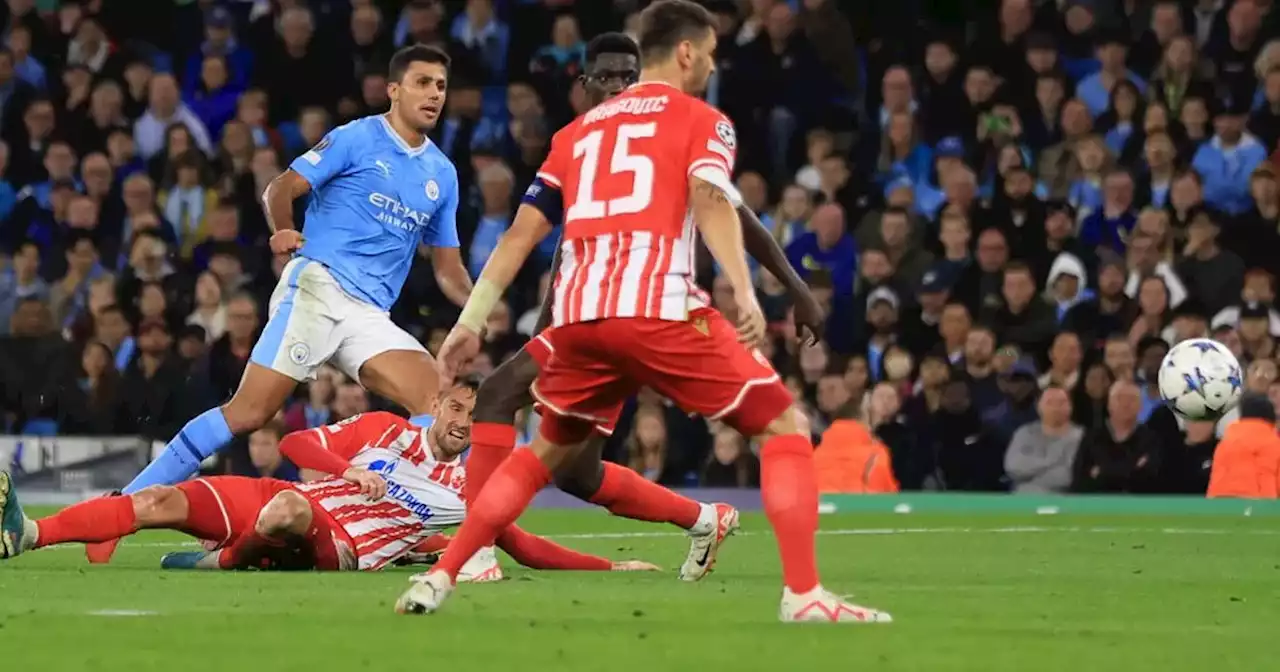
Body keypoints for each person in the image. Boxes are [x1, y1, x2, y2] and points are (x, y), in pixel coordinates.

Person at [402, 0, 889, 623]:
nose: (711, 66)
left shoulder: (574, 135)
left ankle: (442, 575)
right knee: (785, 427)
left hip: (577, 320)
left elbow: (519, 237)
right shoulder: (702, 119)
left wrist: (471, 321)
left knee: (545, 452)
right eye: (709, 54)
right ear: (686, 53)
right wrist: (743, 290)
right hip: (657, 306)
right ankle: (805, 596)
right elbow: (713, 198)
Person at [89, 45, 475, 564]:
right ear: (394, 89)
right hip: (318, 288)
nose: (433, 94)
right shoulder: (357, 137)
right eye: (423, 82)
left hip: (367, 315)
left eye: (441, 86)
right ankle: (118, 513)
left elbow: (447, 267)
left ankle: (396, 528)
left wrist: (478, 310)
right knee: (249, 413)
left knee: (438, 402)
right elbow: (280, 188)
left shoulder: (441, 174)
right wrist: (284, 229)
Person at [464, 32, 827, 583]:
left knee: (495, 394)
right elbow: (552, 244)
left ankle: (475, 553)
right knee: (576, 475)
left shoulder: (666, 131)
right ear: (582, 86)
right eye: (605, 77)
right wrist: (544, 327)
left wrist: (795, 288)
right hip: (586, 314)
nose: (616, 86)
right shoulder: (581, 142)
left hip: (648, 308)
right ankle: (704, 518)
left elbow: (733, 212)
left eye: (626, 75)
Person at [0, 381, 657, 575]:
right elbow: (292, 440)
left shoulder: (477, 484)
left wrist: (608, 569)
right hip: (294, 493)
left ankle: (226, 562)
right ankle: (27, 534)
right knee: (157, 497)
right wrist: (347, 470)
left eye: (477, 415)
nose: (464, 422)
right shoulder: (380, 428)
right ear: (437, 405)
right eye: (457, 408)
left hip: (338, 543)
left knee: (284, 518)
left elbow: (521, 545)